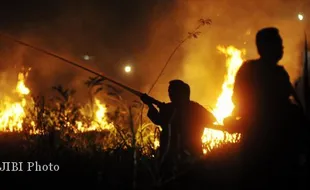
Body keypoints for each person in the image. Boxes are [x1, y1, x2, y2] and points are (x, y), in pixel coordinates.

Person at [227, 27, 307, 189]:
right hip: (264, 145)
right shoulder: (254, 71)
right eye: (278, 43)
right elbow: (242, 101)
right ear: (264, 46)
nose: (282, 48)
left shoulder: (277, 73)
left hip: (275, 145)